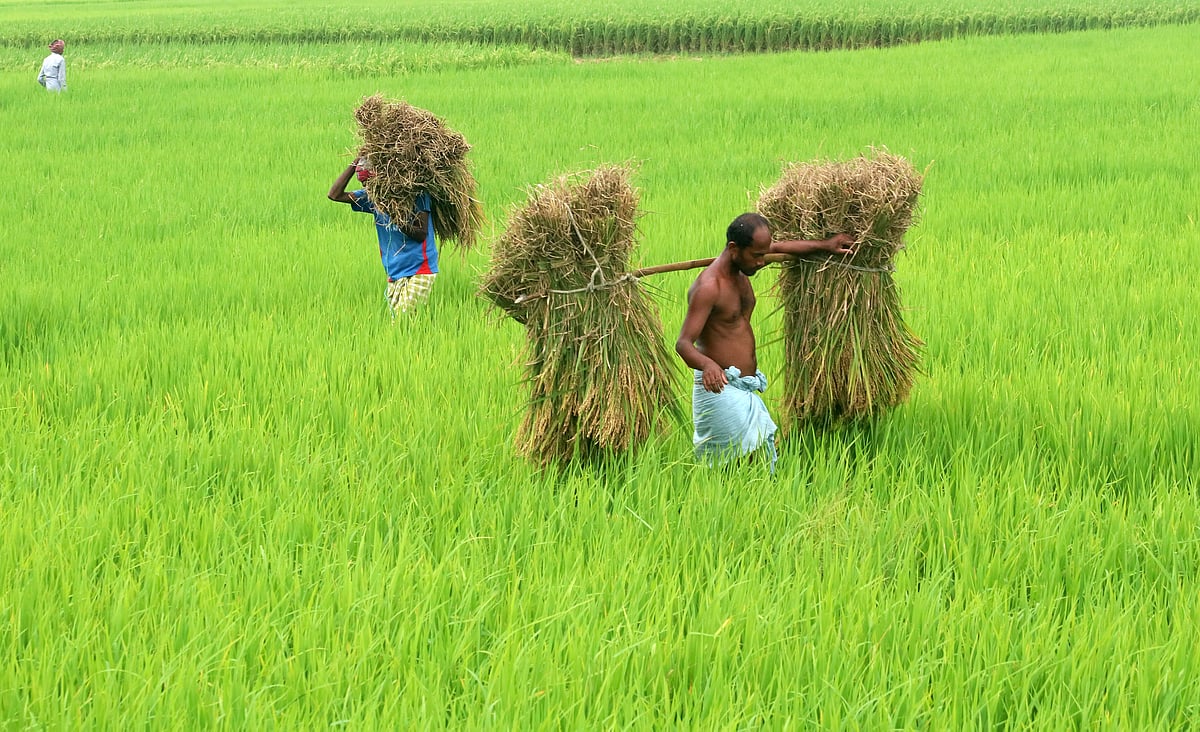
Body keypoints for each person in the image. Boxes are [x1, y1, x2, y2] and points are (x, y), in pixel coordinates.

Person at [675, 212, 854, 471]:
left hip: (744, 387)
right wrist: (707, 365)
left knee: (753, 465)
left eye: (764, 254)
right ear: (734, 249)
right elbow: (683, 343)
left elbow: (780, 248)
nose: (762, 261)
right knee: (736, 467)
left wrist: (826, 245)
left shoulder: (742, 266)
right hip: (720, 387)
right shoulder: (709, 286)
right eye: (757, 255)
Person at [328, 157, 438, 316]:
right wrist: (355, 163)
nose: (367, 188)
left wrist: (396, 216)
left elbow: (421, 234)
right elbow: (335, 195)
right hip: (393, 270)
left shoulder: (416, 194)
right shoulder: (373, 198)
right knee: (404, 324)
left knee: (402, 320)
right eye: (364, 185)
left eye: (370, 183)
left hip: (419, 268)